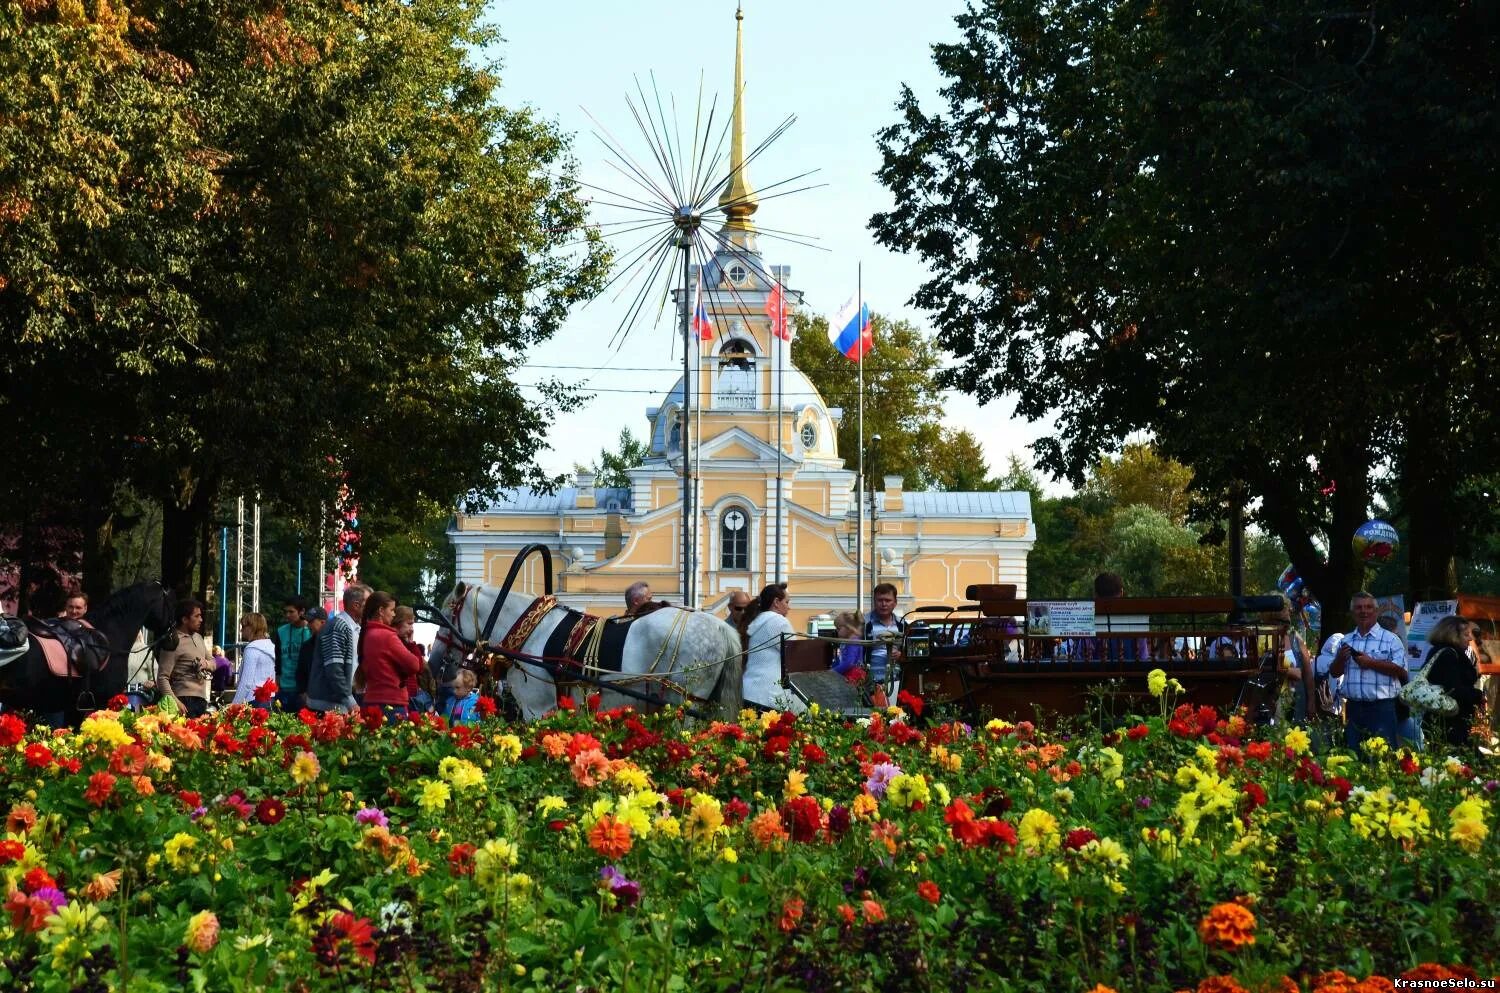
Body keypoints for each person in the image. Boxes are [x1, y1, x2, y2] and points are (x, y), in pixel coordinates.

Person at [1329, 591, 1408, 751]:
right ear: (1352, 613)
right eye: (1358, 608)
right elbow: (1334, 673)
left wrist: (1370, 663)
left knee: (1383, 759)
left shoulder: (1391, 639)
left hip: (1382, 709)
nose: (1364, 611)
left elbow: (1401, 670)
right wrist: (1339, 659)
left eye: (1368, 607)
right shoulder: (1346, 640)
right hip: (1354, 708)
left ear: (1376, 611)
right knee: (1354, 757)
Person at [1418, 616, 1483, 749]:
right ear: (1453, 635)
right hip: (1449, 722)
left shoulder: (1439, 651)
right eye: (1466, 635)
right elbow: (1454, 689)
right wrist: (1479, 695)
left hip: (1439, 718)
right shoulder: (1449, 655)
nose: (1470, 639)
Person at [738, 583, 803, 712]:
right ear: (776, 602)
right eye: (787, 602)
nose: (789, 607)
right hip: (769, 695)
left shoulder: (757, 620)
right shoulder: (779, 621)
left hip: (749, 691)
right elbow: (795, 657)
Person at [306, 584, 370, 714]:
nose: (371, 609)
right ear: (356, 605)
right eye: (368, 605)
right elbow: (334, 668)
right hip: (329, 706)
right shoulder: (338, 626)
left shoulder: (352, 627)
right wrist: (350, 701)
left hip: (339, 703)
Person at [357, 591, 420, 720]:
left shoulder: (366, 634)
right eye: (391, 610)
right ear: (381, 610)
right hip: (391, 704)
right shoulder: (387, 636)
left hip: (370, 701)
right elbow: (414, 664)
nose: (393, 614)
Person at [157, 599, 213, 718]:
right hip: (183, 701)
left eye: (201, 616)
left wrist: (206, 664)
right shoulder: (172, 641)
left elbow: (214, 662)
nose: (201, 620)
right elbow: (162, 678)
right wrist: (175, 702)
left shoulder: (198, 638)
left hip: (201, 700)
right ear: (184, 619)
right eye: (197, 616)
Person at [863, 583, 905, 690]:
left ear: (895, 603)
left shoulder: (903, 624)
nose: (883, 604)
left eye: (888, 600)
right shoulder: (864, 623)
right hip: (869, 682)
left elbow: (909, 650)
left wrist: (902, 655)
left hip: (897, 680)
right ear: (874, 602)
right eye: (880, 600)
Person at [231, 613, 277, 708]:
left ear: (252, 627)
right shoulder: (272, 647)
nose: (241, 630)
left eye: (243, 626)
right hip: (270, 699)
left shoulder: (252, 649)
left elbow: (246, 682)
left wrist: (234, 705)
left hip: (254, 700)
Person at [275, 597, 312, 713]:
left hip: (305, 690)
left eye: (291, 612)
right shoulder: (281, 631)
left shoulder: (311, 631)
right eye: (286, 612)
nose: (287, 615)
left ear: (302, 612)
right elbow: (278, 659)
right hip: (284, 688)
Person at [393, 606, 432, 713]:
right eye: (409, 624)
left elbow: (419, 667)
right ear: (398, 623)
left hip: (411, 697)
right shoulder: (393, 642)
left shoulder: (408, 644)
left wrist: (410, 642)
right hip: (399, 697)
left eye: (412, 624)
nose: (412, 628)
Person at [292, 606, 329, 708]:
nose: (308, 625)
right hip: (310, 701)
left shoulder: (334, 643)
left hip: (331, 701)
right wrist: (302, 692)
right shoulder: (306, 646)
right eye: (307, 621)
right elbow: (300, 672)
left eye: (311, 622)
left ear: (323, 622)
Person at [831, 610, 864, 676]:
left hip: (852, 676)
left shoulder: (854, 642)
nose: (837, 631)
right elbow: (841, 659)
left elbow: (849, 663)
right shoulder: (846, 641)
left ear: (849, 628)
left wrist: (832, 672)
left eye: (838, 629)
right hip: (847, 675)